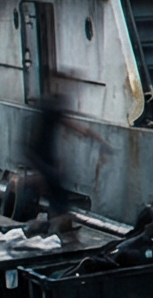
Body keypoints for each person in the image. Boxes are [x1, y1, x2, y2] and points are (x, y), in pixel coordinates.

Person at [15, 94, 100, 237]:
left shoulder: (44, 114)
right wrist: (97, 138)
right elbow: (74, 127)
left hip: (40, 157)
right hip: (41, 158)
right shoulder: (52, 113)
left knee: (54, 189)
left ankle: (55, 219)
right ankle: (57, 221)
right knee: (56, 191)